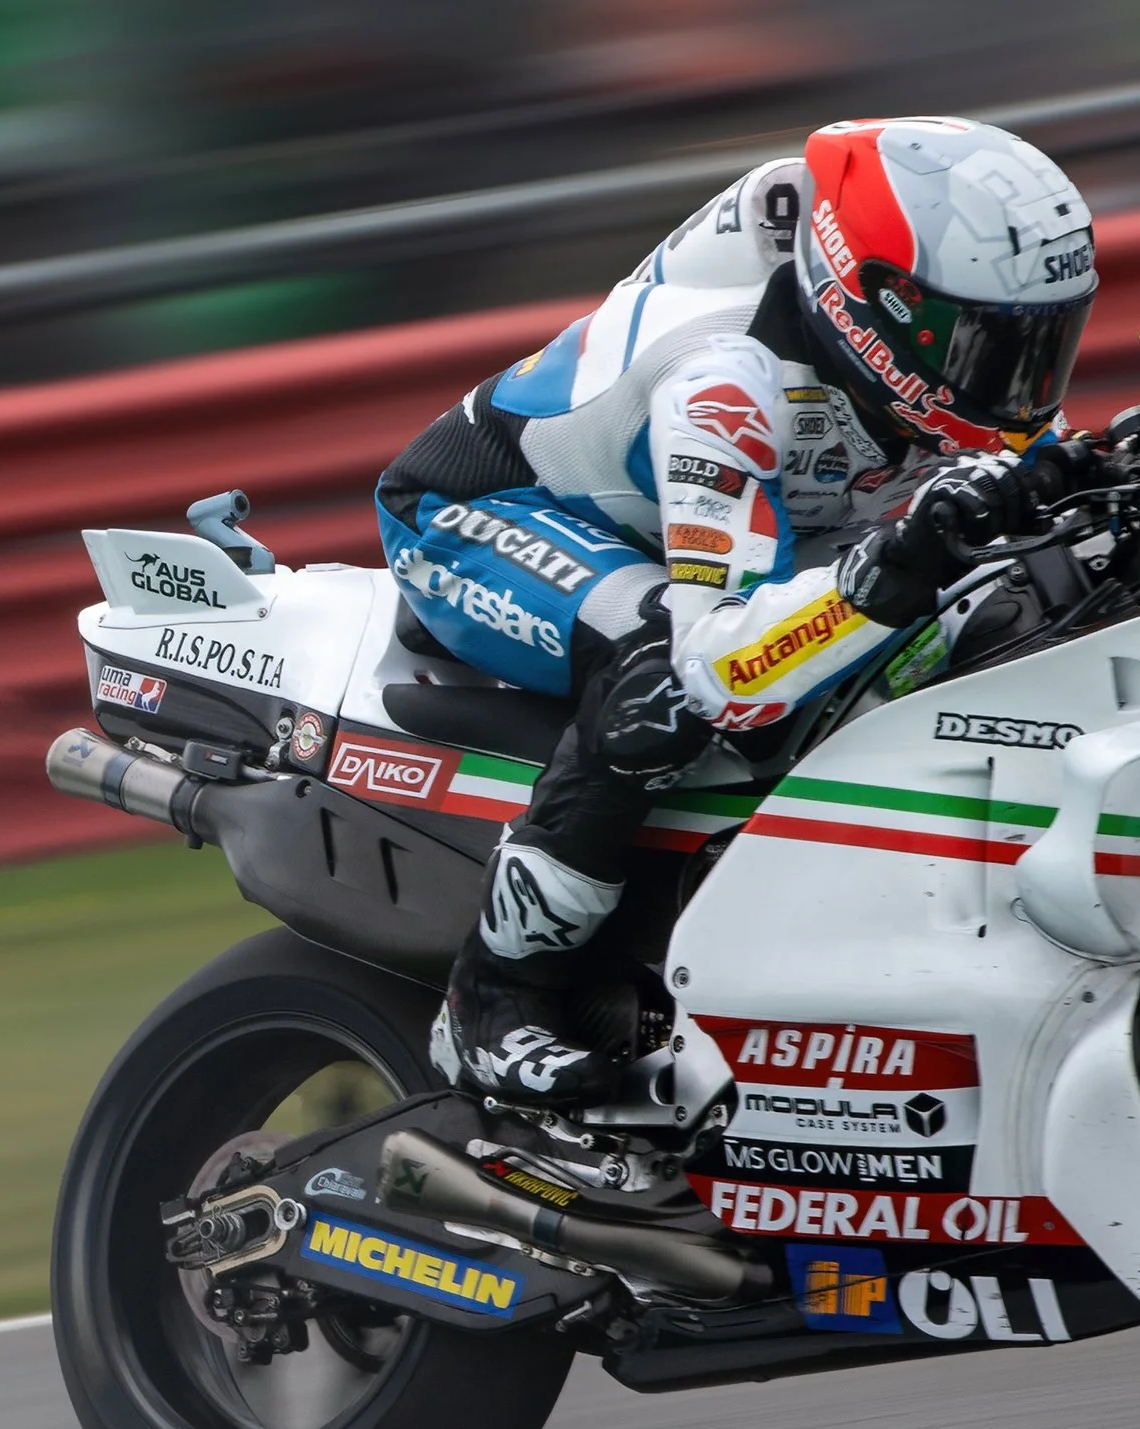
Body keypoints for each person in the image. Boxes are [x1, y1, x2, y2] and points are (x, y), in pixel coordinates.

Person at [377, 116, 1099, 1107]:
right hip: (478, 513)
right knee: (658, 676)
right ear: (877, 306)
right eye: (989, 347)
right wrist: (889, 572)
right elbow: (722, 669)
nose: (1019, 385)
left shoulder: (890, 341)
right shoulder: (724, 384)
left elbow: (1039, 475)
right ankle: (492, 998)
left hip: (714, 519)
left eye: (1042, 347)